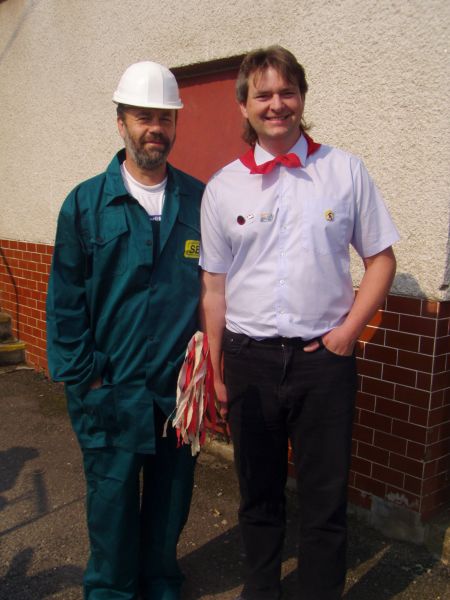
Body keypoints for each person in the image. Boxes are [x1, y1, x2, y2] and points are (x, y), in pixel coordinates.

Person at [200, 46, 399, 600]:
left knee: (324, 500)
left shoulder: (345, 171)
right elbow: (214, 287)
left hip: (323, 363)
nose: (276, 104)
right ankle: (261, 589)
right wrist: (216, 368)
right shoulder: (223, 187)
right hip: (249, 359)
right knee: (258, 495)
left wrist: (348, 333)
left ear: (303, 98)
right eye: (262, 94)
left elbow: (381, 260)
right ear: (243, 106)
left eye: (287, 92)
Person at [46, 61, 204, 600]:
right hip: (109, 389)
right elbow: (65, 302)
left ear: (175, 124)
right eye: (143, 116)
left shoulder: (199, 201)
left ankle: (160, 583)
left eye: (165, 117)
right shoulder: (85, 204)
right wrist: (86, 377)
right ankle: (111, 591)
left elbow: (216, 287)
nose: (155, 128)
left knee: (170, 502)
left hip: (174, 394)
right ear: (121, 123)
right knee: (111, 507)